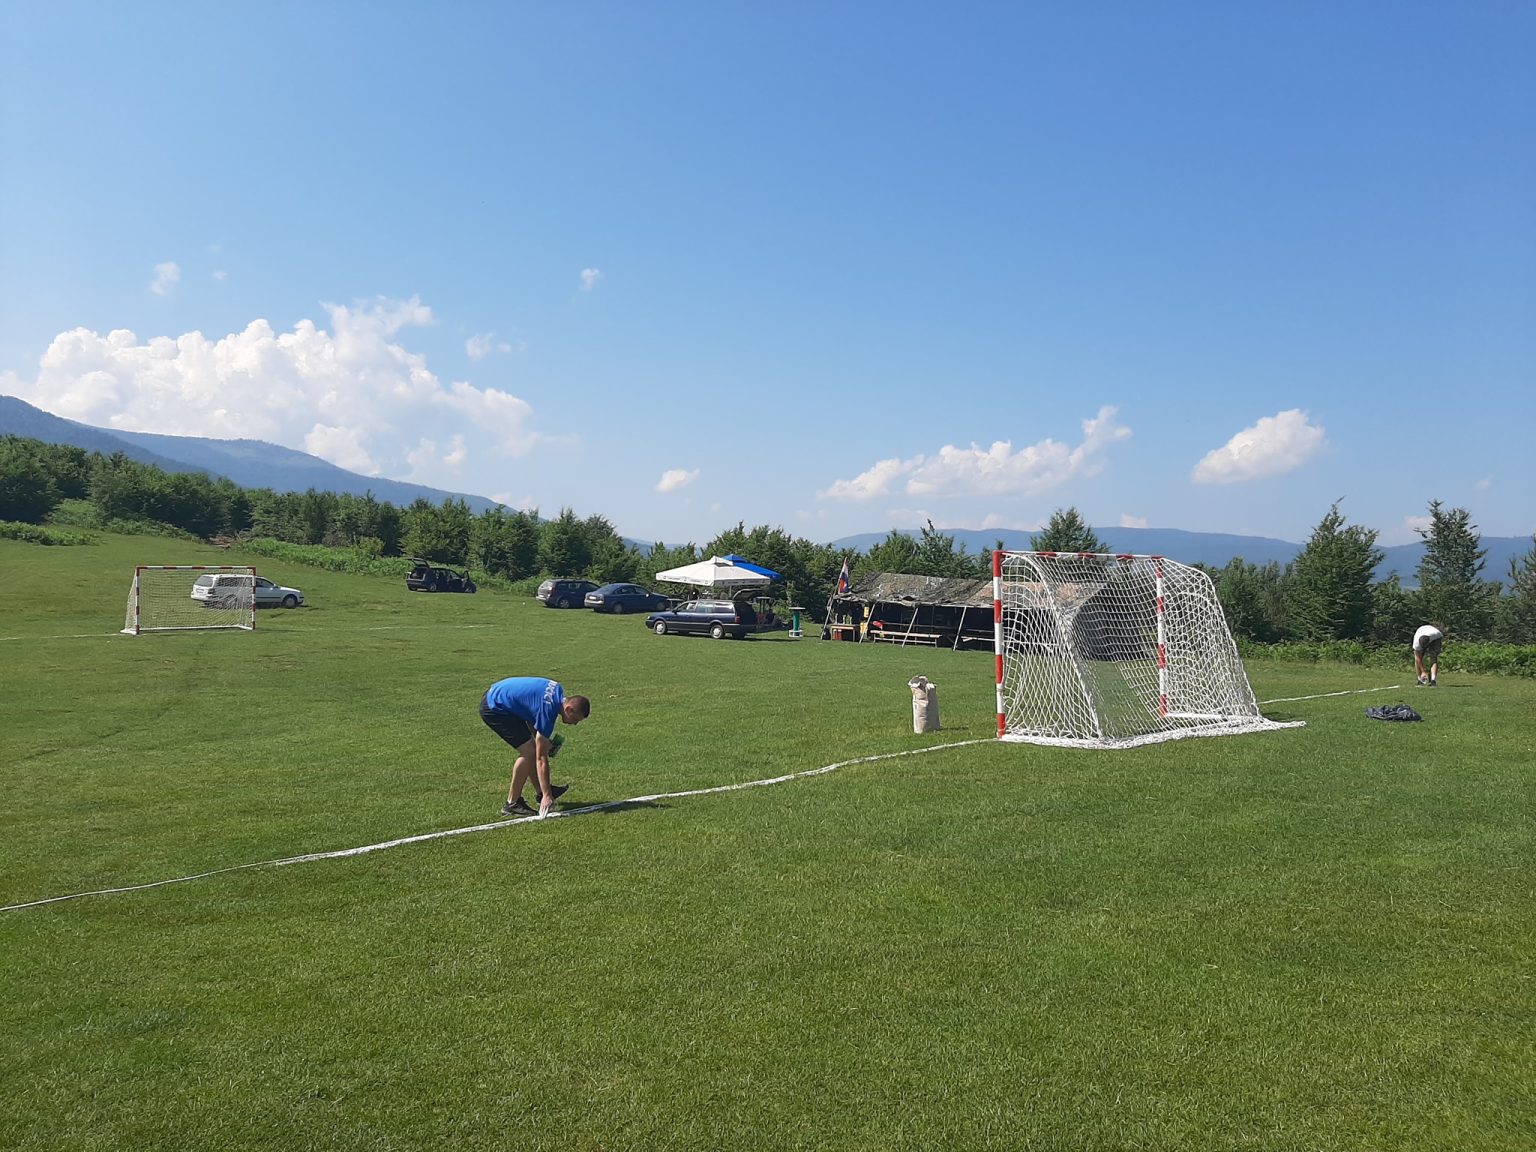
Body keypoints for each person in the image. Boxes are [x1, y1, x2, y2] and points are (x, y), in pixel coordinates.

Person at [480, 676, 591, 816]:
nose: (575, 724)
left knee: (533, 747)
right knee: (530, 753)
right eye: (575, 719)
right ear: (568, 709)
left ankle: (541, 792)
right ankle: (512, 803)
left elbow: (532, 713)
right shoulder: (549, 712)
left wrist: (542, 739)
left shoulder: (557, 690)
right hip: (495, 707)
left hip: (500, 696)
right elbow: (541, 758)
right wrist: (547, 795)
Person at [1412, 622, 1445, 687]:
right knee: (1418, 657)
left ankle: (1433, 681)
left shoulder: (1436, 634)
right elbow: (1417, 658)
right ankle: (1419, 680)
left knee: (1433, 657)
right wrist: (1423, 671)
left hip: (1436, 638)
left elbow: (1440, 636)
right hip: (1423, 632)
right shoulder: (1416, 643)